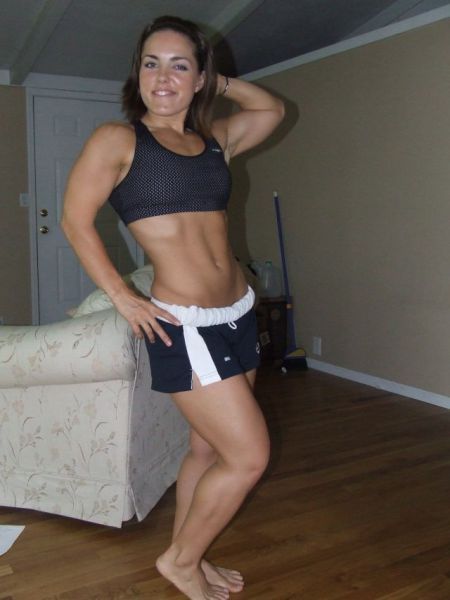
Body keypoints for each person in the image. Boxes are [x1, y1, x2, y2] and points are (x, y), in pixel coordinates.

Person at [61, 15, 285, 600]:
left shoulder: (214, 141)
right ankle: (180, 562)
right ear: (137, 74)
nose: (163, 78)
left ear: (199, 77)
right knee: (249, 456)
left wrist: (219, 81)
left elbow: (270, 111)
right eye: (151, 64)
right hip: (186, 326)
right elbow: (75, 221)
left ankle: (196, 556)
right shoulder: (118, 140)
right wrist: (122, 296)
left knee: (206, 449)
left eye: (179, 65)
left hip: (237, 312)